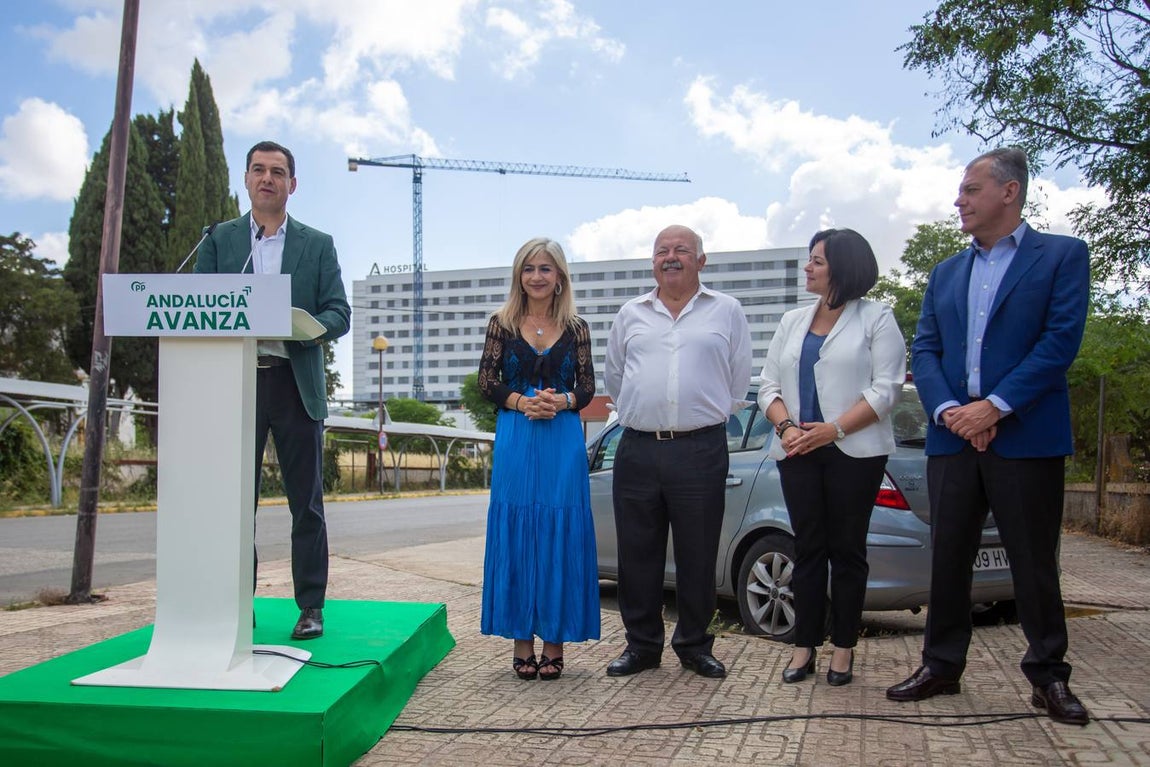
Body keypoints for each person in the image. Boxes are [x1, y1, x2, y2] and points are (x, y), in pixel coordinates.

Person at [886, 148, 1091, 726]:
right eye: (960, 191)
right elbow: (925, 349)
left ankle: (1048, 676)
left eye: (971, 189)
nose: (960, 200)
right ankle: (941, 666)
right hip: (953, 440)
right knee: (948, 558)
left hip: (1025, 437)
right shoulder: (947, 272)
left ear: (1010, 192)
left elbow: (1059, 343)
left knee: (1032, 562)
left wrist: (995, 408)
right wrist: (953, 410)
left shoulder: (1062, 256)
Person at [195, 140, 350, 640]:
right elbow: (197, 305)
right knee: (236, 504)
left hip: (294, 382)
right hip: (235, 383)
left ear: (292, 184)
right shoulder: (218, 240)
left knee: (305, 503)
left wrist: (305, 325)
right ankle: (237, 604)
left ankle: (310, 606)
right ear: (246, 179)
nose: (267, 179)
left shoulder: (318, 243)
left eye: (278, 172)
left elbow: (339, 313)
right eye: (259, 170)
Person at [757, 228, 906, 687]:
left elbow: (887, 389)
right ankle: (804, 648)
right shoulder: (792, 321)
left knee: (846, 552)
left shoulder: (877, 318)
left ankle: (843, 649)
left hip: (853, 452)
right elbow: (768, 385)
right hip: (796, 450)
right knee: (807, 549)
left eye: (817, 261)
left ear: (842, 267)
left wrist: (833, 429)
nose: (808, 267)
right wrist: (786, 428)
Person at [603, 224, 752, 680]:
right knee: (637, 555)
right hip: (638, 449)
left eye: (681, 250)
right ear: (652, 262)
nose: (671, 257)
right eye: (662, 250)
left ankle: (694, 644)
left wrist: (697, 419)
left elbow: (738, 382)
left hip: (700, 449)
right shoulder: (631, 313)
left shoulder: (726, 311)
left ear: (700, 260)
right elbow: (615, 378)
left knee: (697, 553)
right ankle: (642, 646)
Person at [477, 237, 599, 681]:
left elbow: (586, 387)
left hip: (561, 439)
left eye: (545, 268)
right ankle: (521, 642)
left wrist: (561, 402)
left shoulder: (578, 327)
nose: (537, 276)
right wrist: (519, 402)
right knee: (518, 530)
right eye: (529, 268)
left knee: (559, 535)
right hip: (516, 434)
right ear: (519, 275)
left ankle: (554, 643)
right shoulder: (501, 323)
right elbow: (485, 381)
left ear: (560, 275)